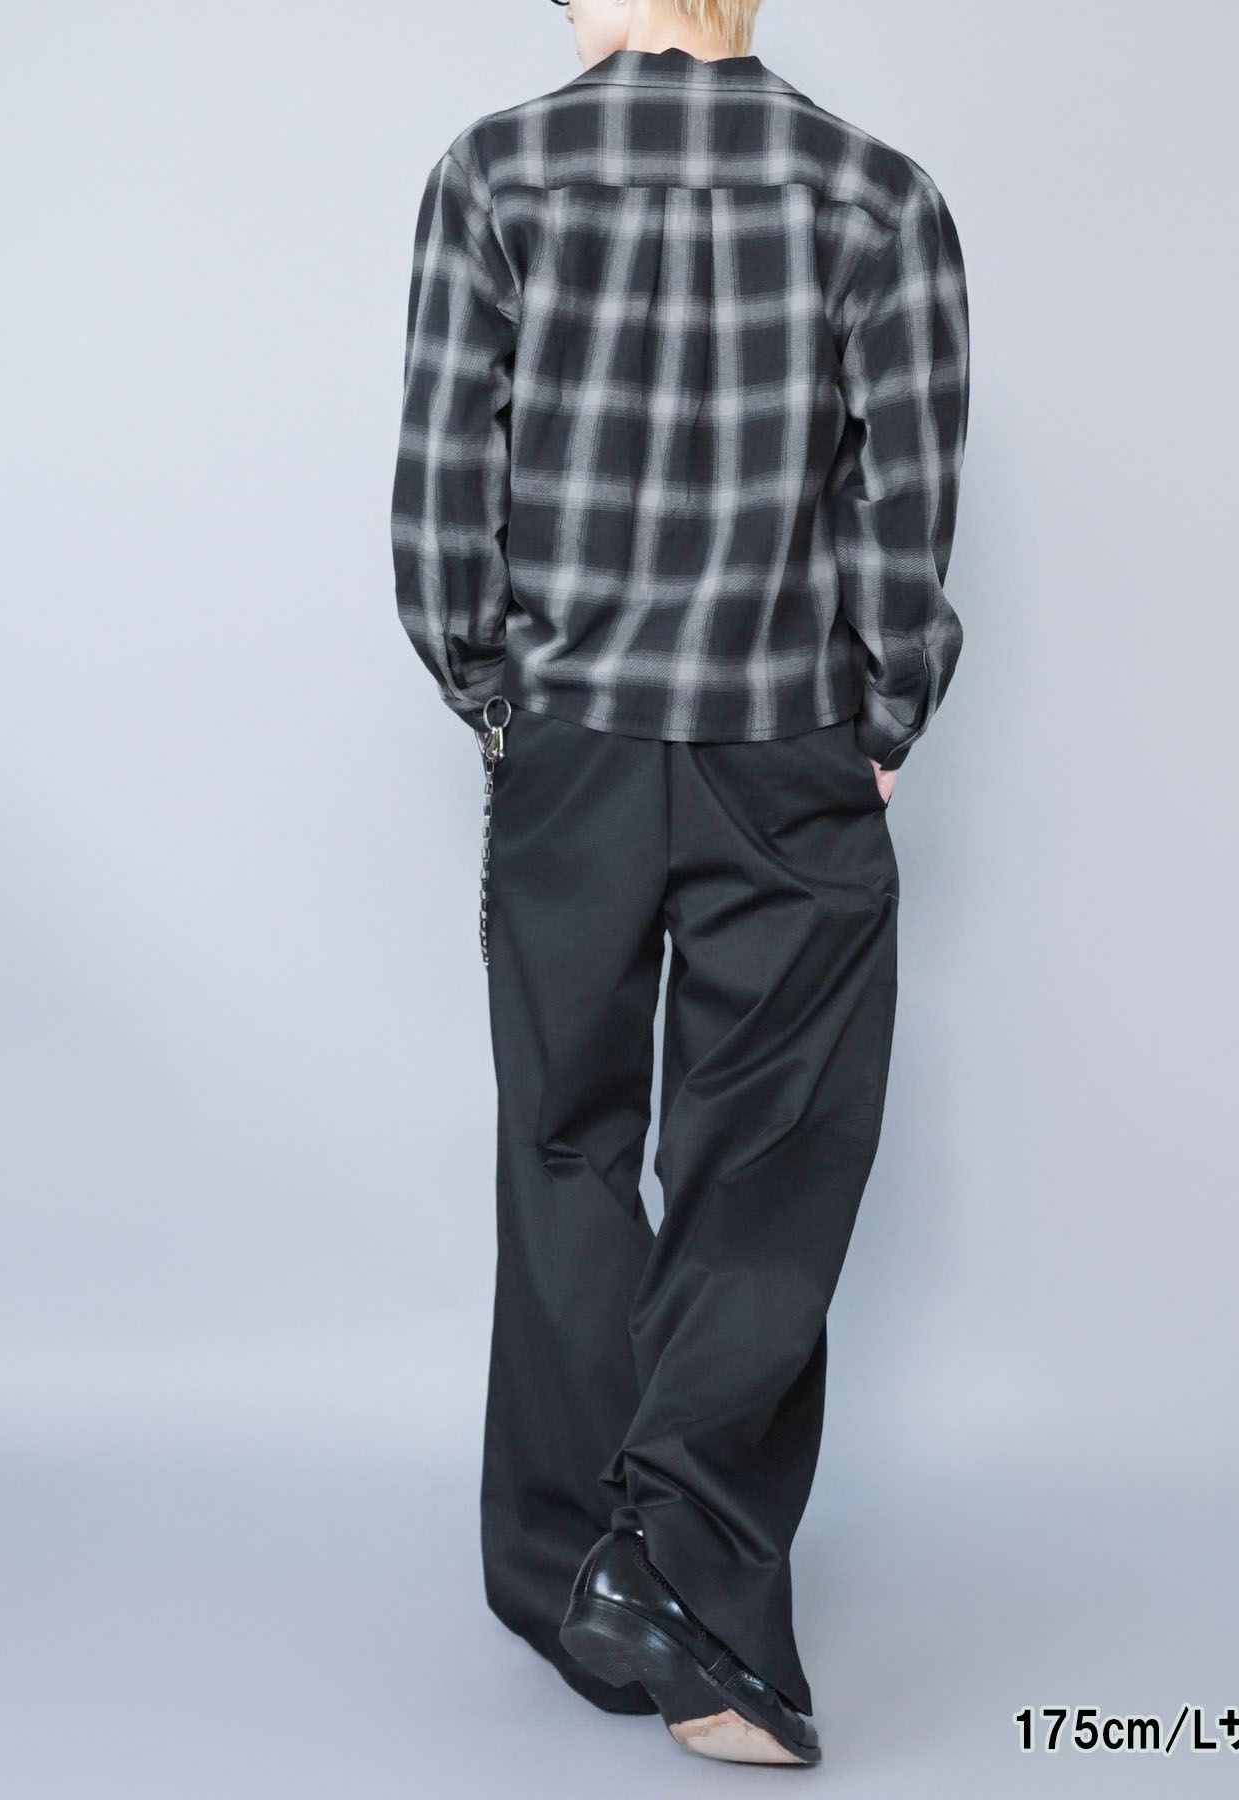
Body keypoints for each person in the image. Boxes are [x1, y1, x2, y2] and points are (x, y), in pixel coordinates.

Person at [391, 0, 969, 1767]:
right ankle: (681, 1592)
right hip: (784, 746)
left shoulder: (495, 173)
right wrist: (886, 708)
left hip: (569, 746)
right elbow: (904, 501)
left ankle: (577, 1579)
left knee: (566, 1146)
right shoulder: (874, 193)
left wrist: (501, 698)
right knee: (767, 1163)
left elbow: (443, 497)